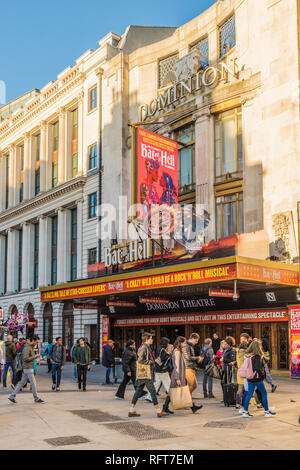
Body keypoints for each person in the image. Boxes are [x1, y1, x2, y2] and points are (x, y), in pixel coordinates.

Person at [128, 332, 167, 418]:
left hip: (144, 373)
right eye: (151, 338)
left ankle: (131, 410)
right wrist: (151, 362)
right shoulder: (144, 347)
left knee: (138, 391)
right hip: (146, 373)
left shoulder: (146, 347)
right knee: (153, 391)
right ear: (146, 339)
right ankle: (158, 411)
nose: (152, 340)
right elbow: (140, 360)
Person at [241, 339, 276, 418]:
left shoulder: (248, 356)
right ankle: (267, 412)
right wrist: (262, 376)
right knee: (264, 393)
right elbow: (257, 368)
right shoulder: (257, 357)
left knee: (249, 394)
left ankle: (245, 411)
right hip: (257, 378)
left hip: (249, 378)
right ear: (258, 347)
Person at [8, 335, 44, 404]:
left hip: (27, 368)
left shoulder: (30, 347)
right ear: (33, 341)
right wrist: (35, 357)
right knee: (33, 384)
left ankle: (12, 396)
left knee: (22, 383)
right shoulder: (28, 348)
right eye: (36, 342)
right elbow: (25, 359)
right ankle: (36, 398)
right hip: (28, 368)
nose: (37, 344)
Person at [144, 337, 174, 414]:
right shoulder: (163, 350)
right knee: (168, 385)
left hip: (158, 369)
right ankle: (173, 397)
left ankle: (149, 397)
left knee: (156, 384)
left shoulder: (159, 348)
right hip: (162, 370)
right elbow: (163, 358)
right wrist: (169, 354)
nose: (168, 344)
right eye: (167, 343)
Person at [182, 333, 203, 413]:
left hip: (191, 367)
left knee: (194, 385)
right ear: (192, 338)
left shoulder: (190, 345)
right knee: (191, 385)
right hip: (187, 368)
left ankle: (187, 401)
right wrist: (198, 358)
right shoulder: (186, 345)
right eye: (196, 341)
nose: (196, 342)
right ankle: (189, 403)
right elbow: (187, 357)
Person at [236, 342, 248, 410]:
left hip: (239, 372)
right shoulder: (245, 354)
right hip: (245, 372)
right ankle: (245, 403)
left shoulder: (237, 353)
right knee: (246, 389)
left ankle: (237, 404)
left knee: (240, 389)